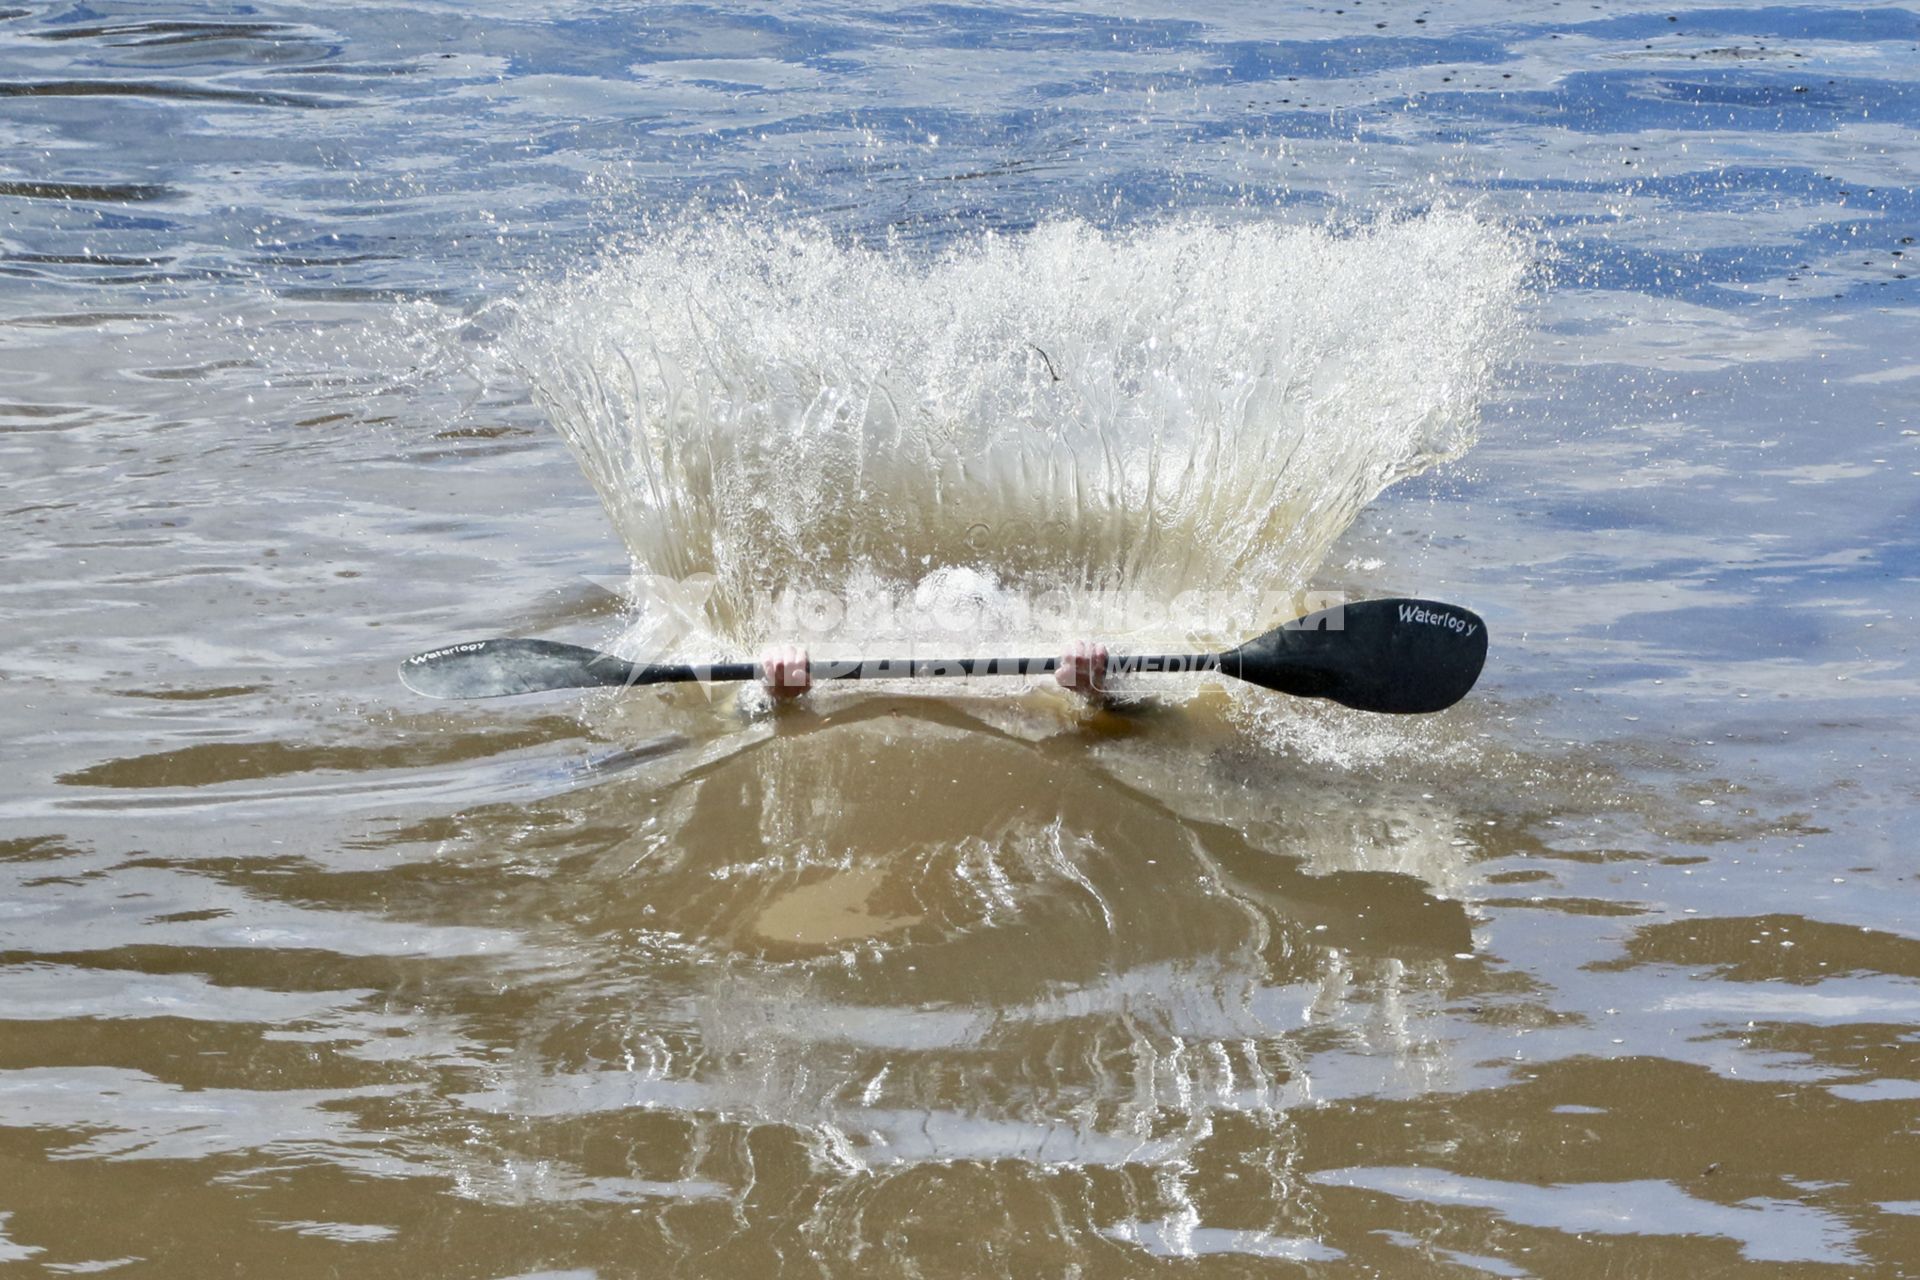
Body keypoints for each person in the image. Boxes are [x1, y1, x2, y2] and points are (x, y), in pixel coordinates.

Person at [758, 642, 1110, 702]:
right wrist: (773, 692)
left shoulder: (1031, 687)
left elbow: (1147, 721)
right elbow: (728, 718)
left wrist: (1101, 691)